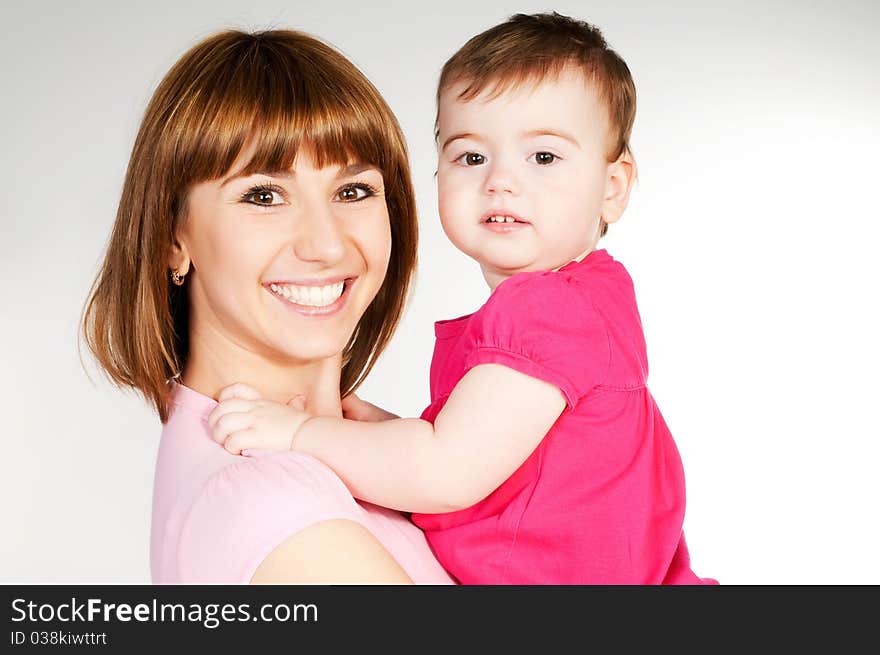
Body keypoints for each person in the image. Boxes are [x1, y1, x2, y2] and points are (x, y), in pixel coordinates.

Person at [211, 12, 717, 584]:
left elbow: (444, 473)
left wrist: (297, 434)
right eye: (471, 157)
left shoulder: (549, 313)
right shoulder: (585, 301)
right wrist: (376, 427)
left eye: (543, 157)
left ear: (612, 187)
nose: (500, 180)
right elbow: (499, 460)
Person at [81, 28, 454, 584]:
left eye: (353, 192)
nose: (326, 245)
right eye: (263, 196)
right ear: (171, 239)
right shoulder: (276, 508)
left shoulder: (395, 457)